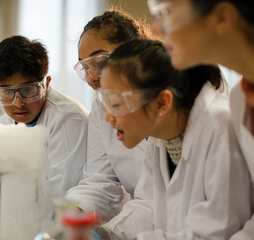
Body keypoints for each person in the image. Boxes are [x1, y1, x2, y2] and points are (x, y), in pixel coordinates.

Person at [94, 39, 254, 239]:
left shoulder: (220, 127)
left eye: (116, 105)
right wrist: (107, 234)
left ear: (162, 103)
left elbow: (216, 232)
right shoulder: (161, 135)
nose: (108, 117)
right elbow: (149, 204)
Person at [147, 1, 254, 239]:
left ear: (222, 17)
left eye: (165, 13)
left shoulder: (222, 113)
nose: (155, 30)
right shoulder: (241, 100)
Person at [66, 10, 157, 221]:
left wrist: (108, 234)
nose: (91, 77)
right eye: (85, 67)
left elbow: (163, 201)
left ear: (134, 49)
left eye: (98, 62)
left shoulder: (173, 104)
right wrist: (72, 213)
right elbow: (100, 180)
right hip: (142, 222)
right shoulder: (101, 108)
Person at [0, 36, 88, 196]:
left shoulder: (68, 119)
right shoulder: (6, 122)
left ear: (46, 84)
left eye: (27, 90)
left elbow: (62, 193)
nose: (18, 103)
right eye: (7, 92)